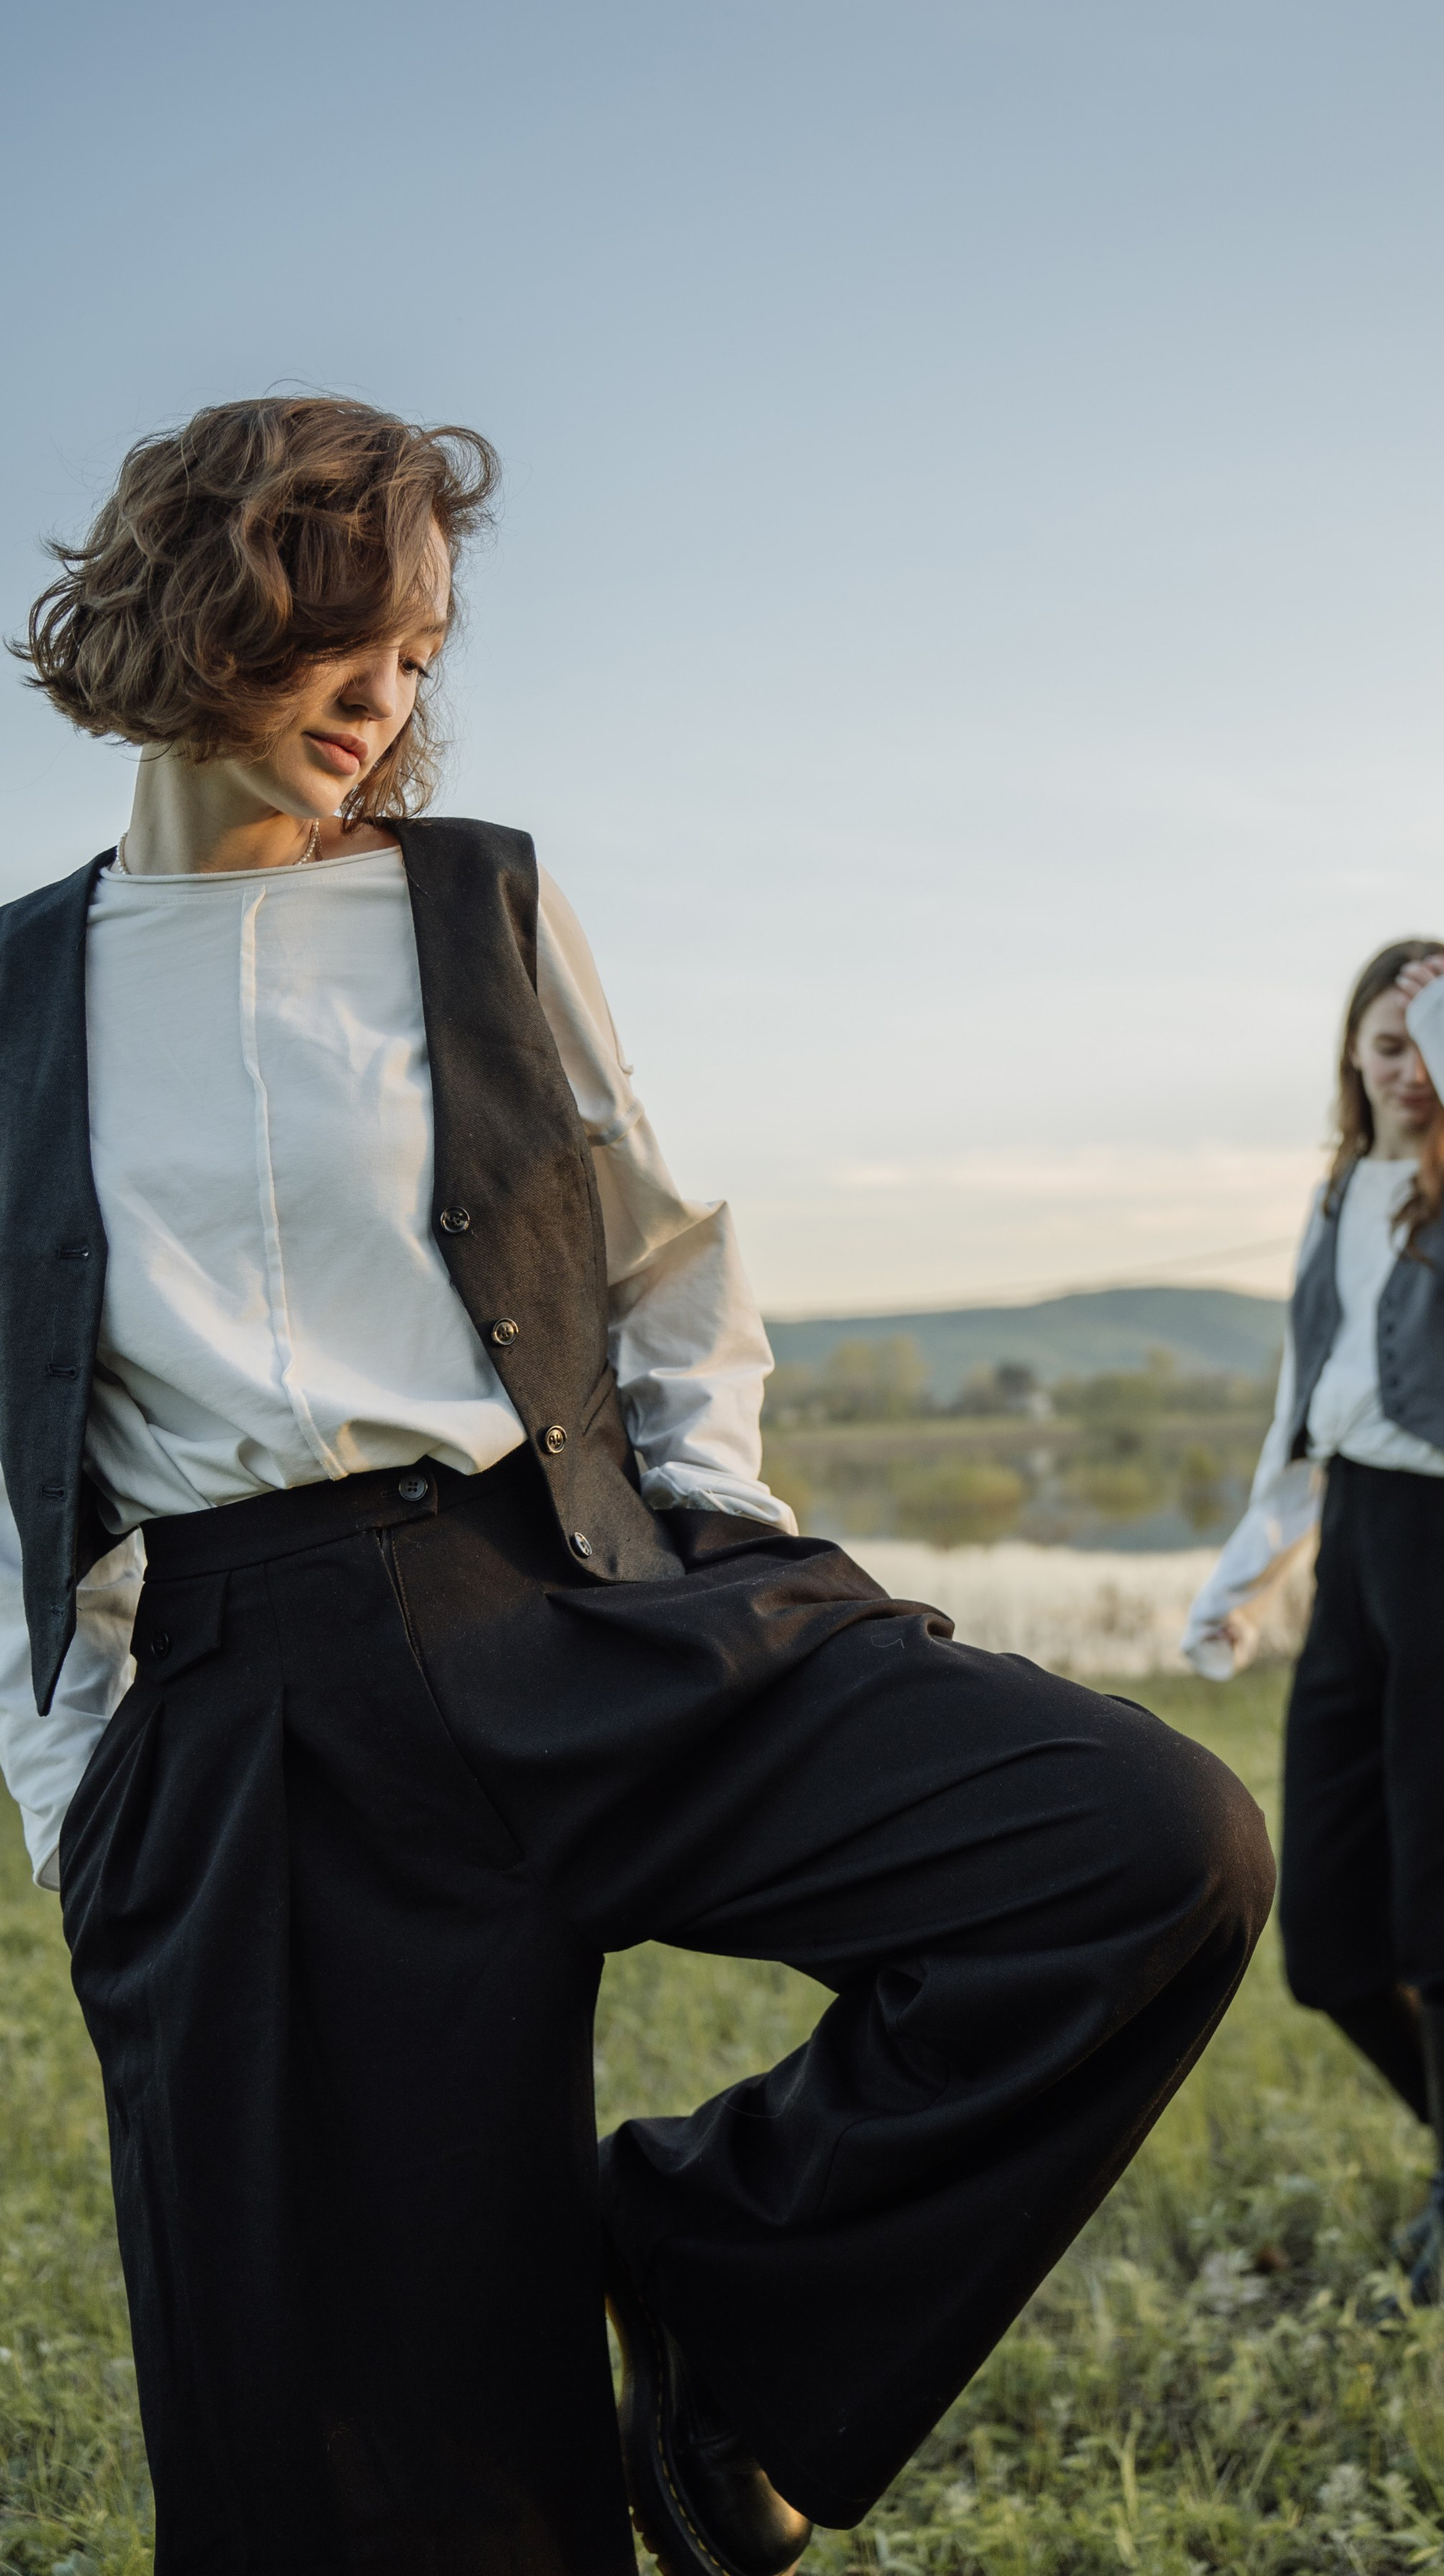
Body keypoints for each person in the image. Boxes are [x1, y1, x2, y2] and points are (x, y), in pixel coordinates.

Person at [0, 395, 1274, 2576]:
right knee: (370, 2494)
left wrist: (730, 1541)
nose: (388, 699)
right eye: (352, 636)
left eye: (418, 653)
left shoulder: (476, 904)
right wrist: (75, 1797)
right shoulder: (12, 991)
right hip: (251, 1715)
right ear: (215, 604)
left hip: (575, 1597)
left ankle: (714, 2308)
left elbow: (662, 1253)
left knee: (1134, 1849)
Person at [1181, 940, 1444, 2304]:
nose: (1416, 1066)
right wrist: (1240, 1583)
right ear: (1352, 1058)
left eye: (1440, 1038)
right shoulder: (1331, 1203)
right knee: (1328, 1935)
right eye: (1393, 1038)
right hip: (1356, 1549)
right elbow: (1296, 1415)